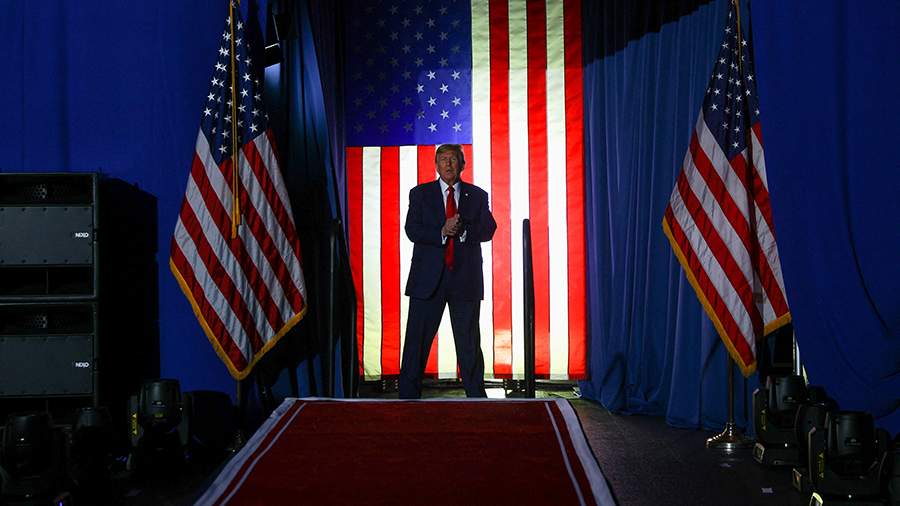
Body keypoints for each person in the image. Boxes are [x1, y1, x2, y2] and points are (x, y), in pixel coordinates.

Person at [399, 144, 497, 399]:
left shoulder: (477, 195)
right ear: (436, 165)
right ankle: (406, 399)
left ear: (462, 164)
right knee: (416, 342)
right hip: (427, 281)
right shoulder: (420, 194)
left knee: (469, 344)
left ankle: (477, 399)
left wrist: (463, 231)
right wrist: (442, 231)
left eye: (453, 159)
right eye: (443, 159)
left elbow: (488, 229)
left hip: (465, 280)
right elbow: (412, 230)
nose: (448, 164)